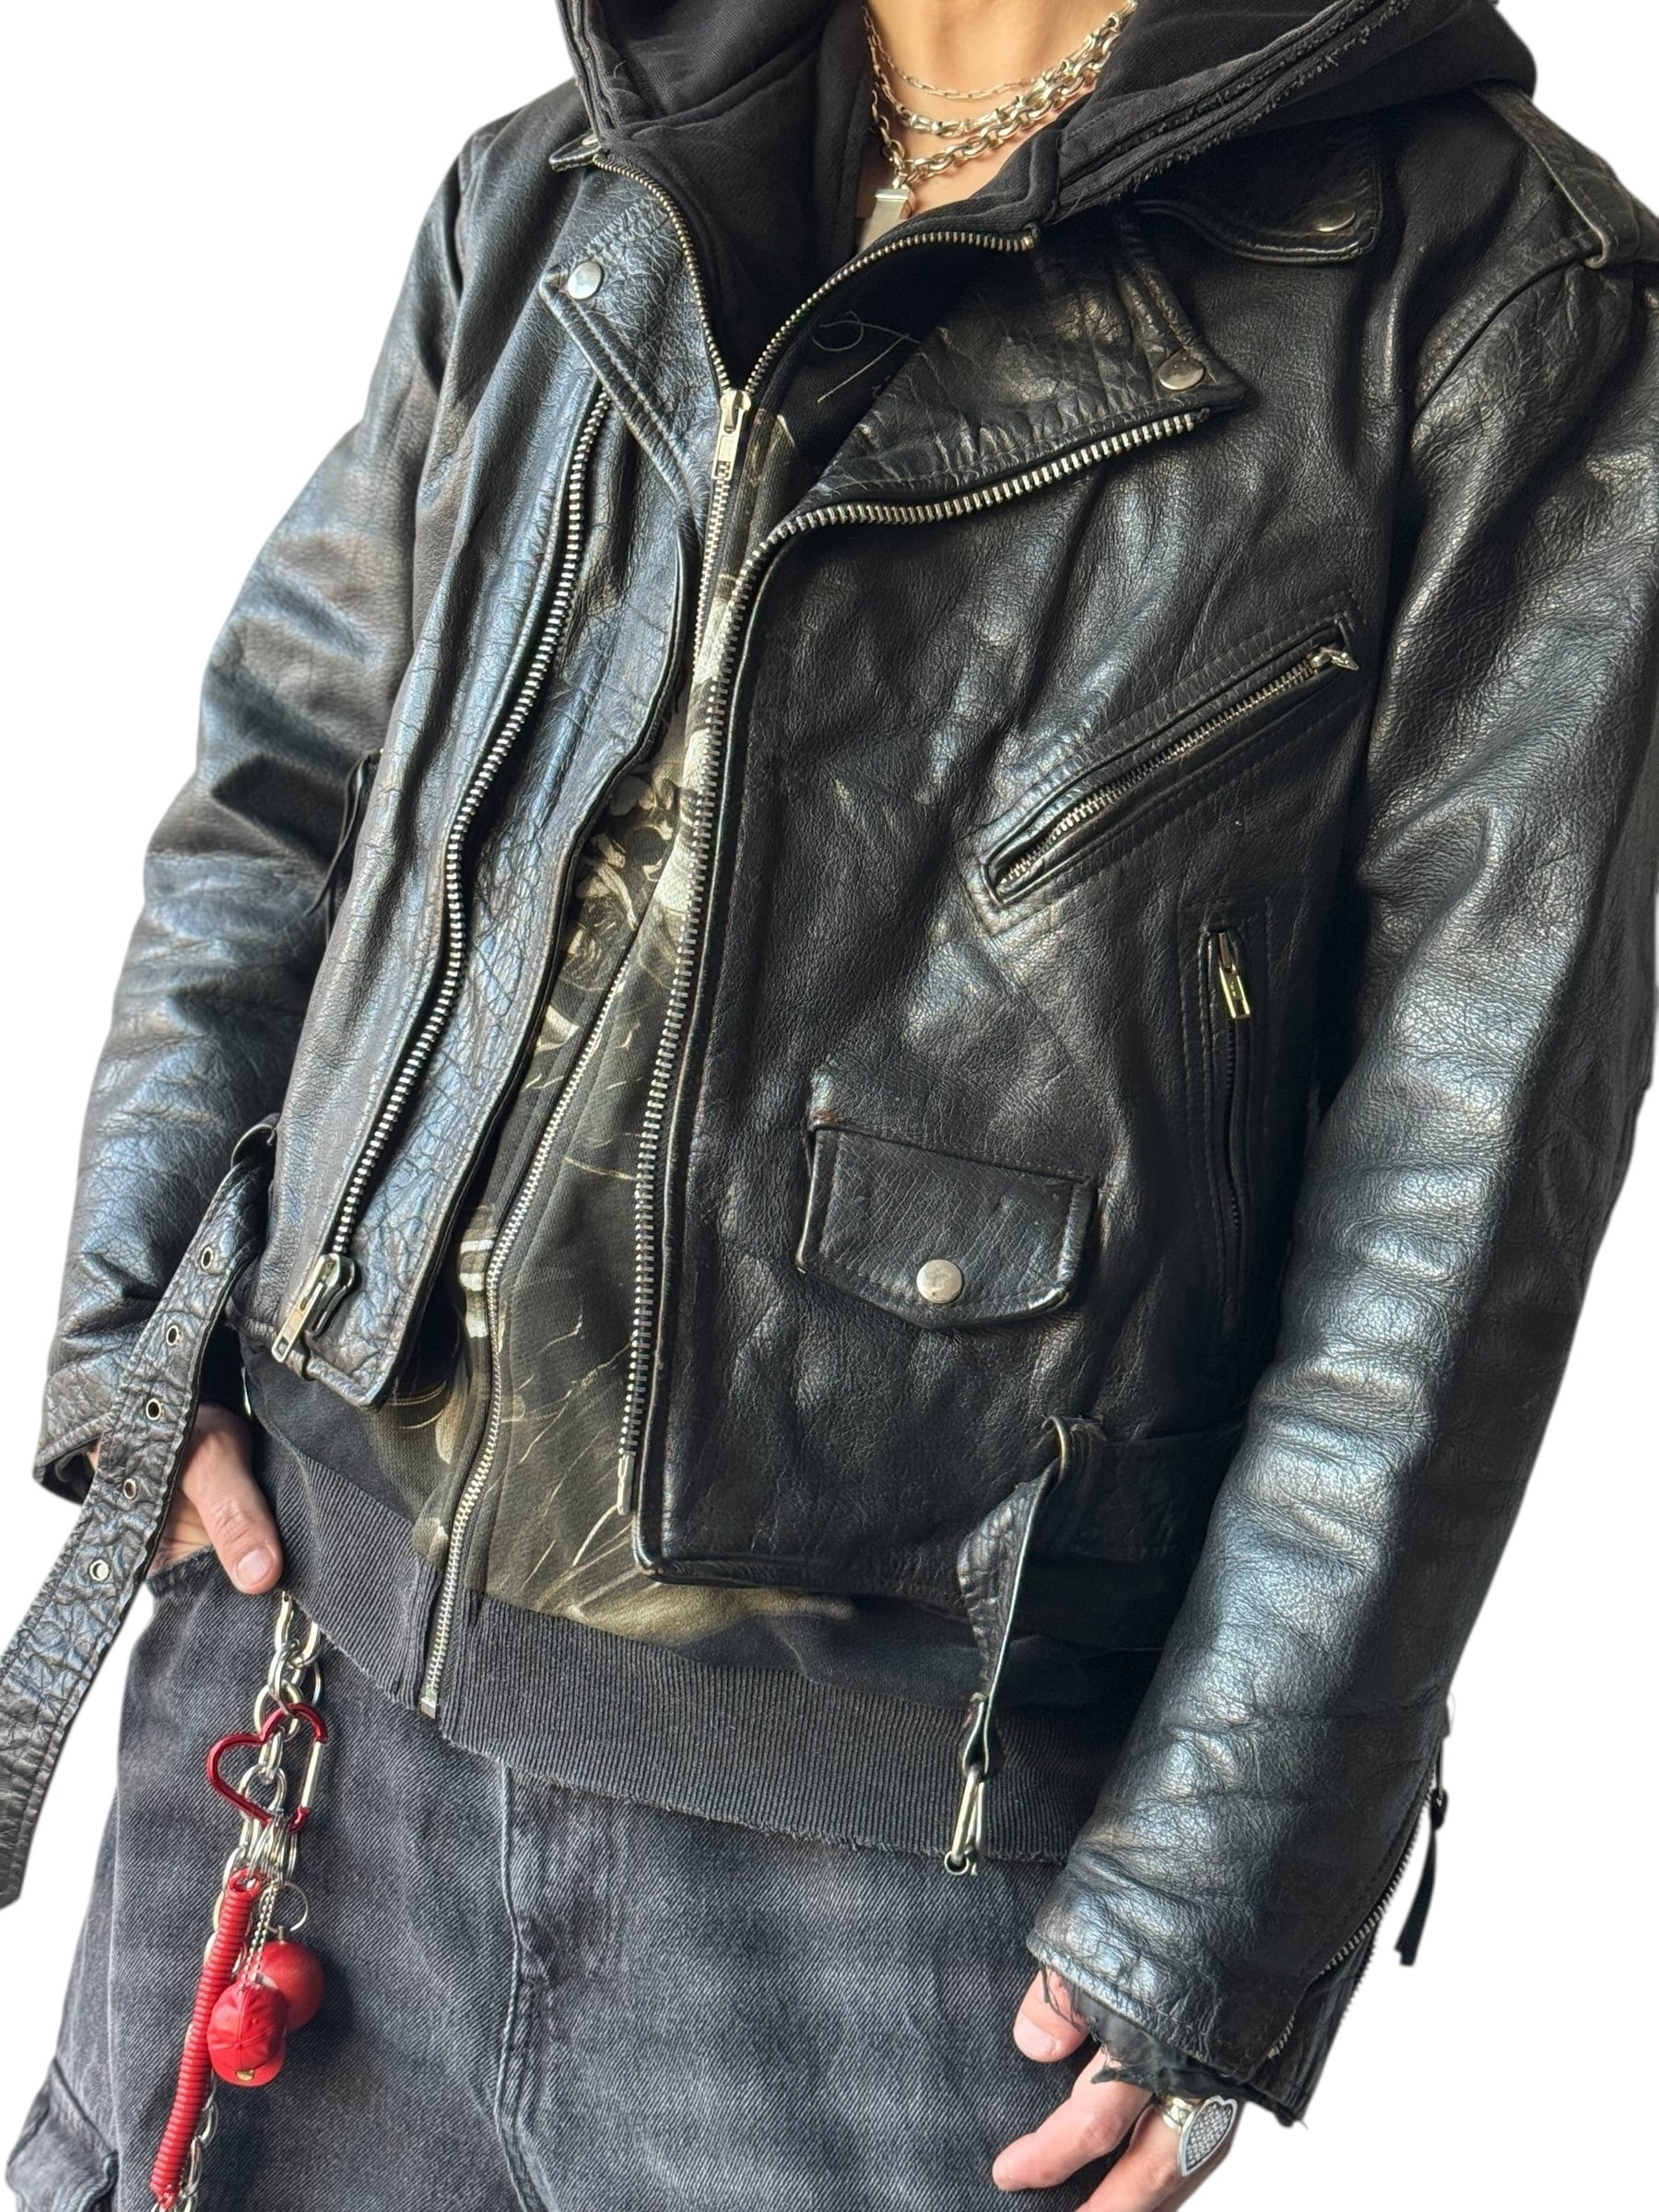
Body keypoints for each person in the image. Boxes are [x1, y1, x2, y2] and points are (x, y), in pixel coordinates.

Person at [4, 0, 1655, 2206]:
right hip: (297, 1699)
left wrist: (1226, 1885)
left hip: (883, 1892)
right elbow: (289, 792)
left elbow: (1465, 1180)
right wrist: (137, 1336)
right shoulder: (566, 182)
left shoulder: (1494, 306)